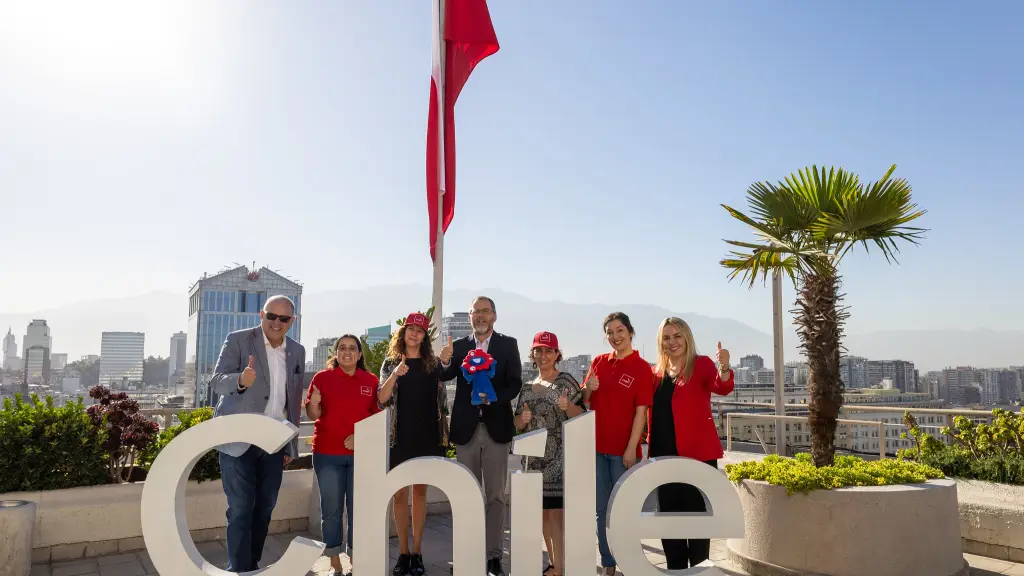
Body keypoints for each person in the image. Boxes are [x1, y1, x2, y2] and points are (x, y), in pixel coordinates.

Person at [210, 295, 306, 572]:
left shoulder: (297, 351)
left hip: (274, 443)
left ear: (292, 322)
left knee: (264, 509)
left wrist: (290, 446)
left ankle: (250, 566)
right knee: (241, 508)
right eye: (271, 316)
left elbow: (292, 401)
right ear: (261, 314)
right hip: (238, 441)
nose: (277, 323)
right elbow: (216, 382)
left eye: (284, 319)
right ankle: (238, 569)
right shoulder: (238, 339)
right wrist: (240, 380)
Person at [438, 296, 523, 576]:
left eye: (485, 312)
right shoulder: (460, 346)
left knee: (496, 497)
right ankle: (466, 553)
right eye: (476, 312)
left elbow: (515, 383)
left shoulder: (507, 344)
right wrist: (446, 359)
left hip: (497, 429)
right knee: (467, 495)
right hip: (466, 430)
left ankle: (494, 557)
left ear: (494, 316)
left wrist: (496, 397)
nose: (480, 316)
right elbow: (447, 374)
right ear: (470, 317)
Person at [648, 317, 734, 569]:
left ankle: (699, 572)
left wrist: (725, 366)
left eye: (677, 336)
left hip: (697, 456)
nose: (672, 342)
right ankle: (676, 571)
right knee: (668, 521)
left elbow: (722, 386)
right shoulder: (655, 373)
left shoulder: (701, 364)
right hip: (663, 457)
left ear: (687, 338)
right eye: (666, 337)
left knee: (697, 522)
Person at [581, 312, 654, 576]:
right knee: (601, 511)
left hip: (623, 452)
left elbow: (641, 411)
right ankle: (609, 563)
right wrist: (589, 387)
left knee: (623, 509)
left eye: (620, 330)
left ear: (630, 332)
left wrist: (631, 448)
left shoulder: (642, 368)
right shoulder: (599, 362)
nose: (615, 336)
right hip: (597, 449)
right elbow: (585, 398)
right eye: (610, 332)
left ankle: (629, 559)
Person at [378, 313, 449, 576]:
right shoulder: (391, 362)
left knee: (419, 493)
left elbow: (448, 378)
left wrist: (447, 359)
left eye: (420, 331)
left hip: (427, 436)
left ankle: (417, 553)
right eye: (411, 329)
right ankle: (403, 554)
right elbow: (381, 399)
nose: (415, 334)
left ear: (424, 336)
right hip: (399, 437)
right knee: (399, 494)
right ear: (403, 332)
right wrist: (395, 374)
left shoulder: (433, 364)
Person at [306, 335, 380, 576]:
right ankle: (335, 562)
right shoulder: (321, 378)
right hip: (327, 454)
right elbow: (312, 413)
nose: (347, 352)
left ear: (360, 355)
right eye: (342, 348)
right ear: (335, 353)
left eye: (352, 349)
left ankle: (356, 562)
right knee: (331, 510)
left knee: (359, 510)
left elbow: (376, 417)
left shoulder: (370, 380)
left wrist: (361, 437)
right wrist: (314, 403)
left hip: (361, 455)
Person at [513, 331, 585, 576]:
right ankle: (554, 564)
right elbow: (517, 424)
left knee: (556, 513)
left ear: (557, 354)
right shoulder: (526, 387)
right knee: (543, 514)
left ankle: (561, 566)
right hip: (533, 460)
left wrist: (569, 406)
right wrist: (521, 419)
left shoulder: (566, 381)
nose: (543, 355)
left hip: (559, 459)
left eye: (548, 351)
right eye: (539, 351)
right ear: (532, 355)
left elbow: (583, 415)